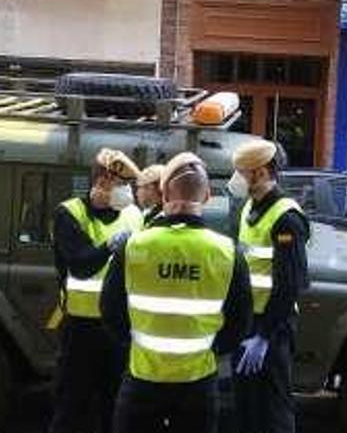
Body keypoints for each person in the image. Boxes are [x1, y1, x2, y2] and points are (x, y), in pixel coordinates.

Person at [101, 152, 252, 433]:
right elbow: (240, 323)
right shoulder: (227, 252)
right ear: (207, 196)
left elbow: (110, 311)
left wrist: (137, 344)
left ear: (163, 193)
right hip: (199, 384)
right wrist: (211, 349)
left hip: (142, 377)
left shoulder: (133, 246)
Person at [49, 148, 144, 433]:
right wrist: (109, 246)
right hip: (80, 329)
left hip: (118, 328)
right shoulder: (69, 213)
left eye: (128, 185)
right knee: (71, 406)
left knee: (115, 407)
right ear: (102, 181)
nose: (127, 191)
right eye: (121, 184)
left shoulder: (133, 215)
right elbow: (80, 264)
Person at [229, 140, 310, 433]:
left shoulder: (286, 218)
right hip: (249, 324)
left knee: (274, 409)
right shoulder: (250, 207)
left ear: (261, 173)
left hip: (272, 329)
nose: (236, 179)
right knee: (247, 407)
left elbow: (290, 284)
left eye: (242, 172)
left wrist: (264, 336)